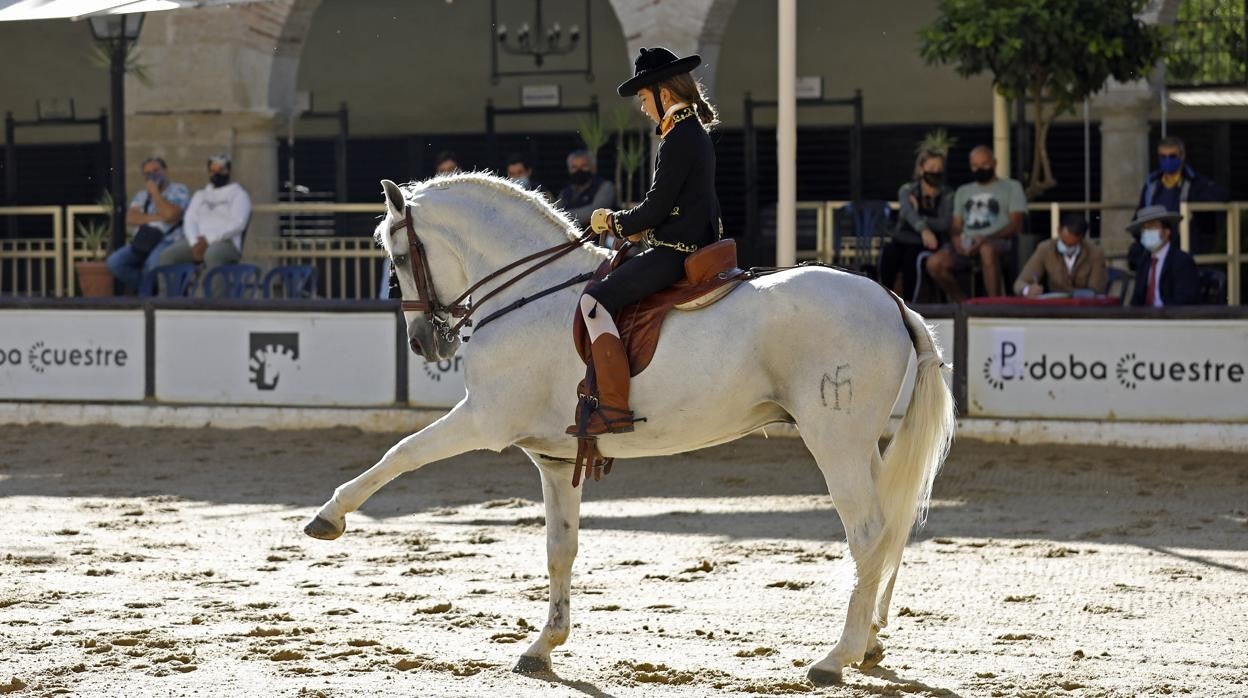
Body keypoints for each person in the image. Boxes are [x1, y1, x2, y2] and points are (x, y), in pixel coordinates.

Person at [567, 46, 721, 441]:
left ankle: (615, 406)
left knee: (593, 300)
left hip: (677, 253)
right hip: (684, 242)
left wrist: (613, 221)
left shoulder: (679, 138)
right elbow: (669, 206)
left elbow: (655, 208)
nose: (642, 107)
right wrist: (638, 229)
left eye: (643, 98)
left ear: (663, 95)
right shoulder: (689, 132)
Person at [925, 146, 1026, 301]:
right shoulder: (963, 191)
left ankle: (994, 306)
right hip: (967, 243)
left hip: (999, 241)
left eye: (984, 164)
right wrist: (957, 240)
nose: (979, 169)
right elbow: (956, 225)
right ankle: (965, 305)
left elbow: (1016, 224)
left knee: (986, 250)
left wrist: (985, 239)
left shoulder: (1012, 187)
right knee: (934, 263)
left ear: (994, 163)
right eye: (975, 165)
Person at [158, 154, 251, 290]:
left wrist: (208, 239)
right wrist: (194, 242)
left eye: (221, 170)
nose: (216, 174)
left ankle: (217, 302)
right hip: (197, 241)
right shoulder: (200, 195)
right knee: (167, 256)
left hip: (226, 242)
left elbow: (238, 223)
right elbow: (189, 219)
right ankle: (168, 300)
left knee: (212, 255)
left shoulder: (239, 195)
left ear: (228, 171)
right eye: (213, 170)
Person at [105, 157, 191, 293]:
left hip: (168, 240)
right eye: (148, 173)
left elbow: (171, 216)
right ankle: (147, 288)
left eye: (156, 170)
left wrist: (155, 193)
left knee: (151, 264)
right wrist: (159, 217)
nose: (153, 175)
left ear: (165, 171)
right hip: (144, 239)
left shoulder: (179, 190)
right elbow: (131, 218)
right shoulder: (141, 195)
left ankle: (146, 295)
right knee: (115, 262)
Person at [880, 149, 952, 302]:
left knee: (912, 260)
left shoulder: (947, 194)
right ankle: (884, 302)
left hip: (928, 244)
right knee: (889, 253)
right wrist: (924, 229)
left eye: (939, 169)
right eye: (932, 168)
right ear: (921, 169)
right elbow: (906, 212)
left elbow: (944, 223)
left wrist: (918, 213)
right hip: (903, 238)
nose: (936, 172)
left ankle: (910, 307)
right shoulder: (907, 190)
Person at [1135, 136, 1227, 254]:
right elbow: (1139, 216)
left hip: (1185, 246)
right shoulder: (1151, 184)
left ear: (1182, 156)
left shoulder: (1194, 182)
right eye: (1163, 157)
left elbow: (1221, 196)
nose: (1167, 160)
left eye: (1172, 156)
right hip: (1156, 246)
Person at [1013, 215, 1108, 297]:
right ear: (1059, 230)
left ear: (1081, 239)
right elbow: (1020, 282)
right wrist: (1027, 290)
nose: (1067, 248)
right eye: (1064, 242)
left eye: (1072, 245)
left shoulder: (1095, 253)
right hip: (1055, 306)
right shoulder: (1045, 249)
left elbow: (1096, 290)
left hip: (1084, 307)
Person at [1126, 205, 1200, 307]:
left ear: (1167, 232)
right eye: (1144, 229)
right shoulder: (1144, 261)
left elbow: (1184, 301)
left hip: (1171, 319)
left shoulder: (1182, 261)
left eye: (1152, 227)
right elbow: (1136, 299)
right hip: (1145, 320)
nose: (1147, 232)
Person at [556, 149, 616, 229]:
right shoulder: (565, 192)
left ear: (593, 168)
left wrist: (563, 216)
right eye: (574, 167)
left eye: (584, 166)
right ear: (569, 170)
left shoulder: (605, 186)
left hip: (595, 238)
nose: (579, 170)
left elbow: (595, 212)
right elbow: (555, 214)